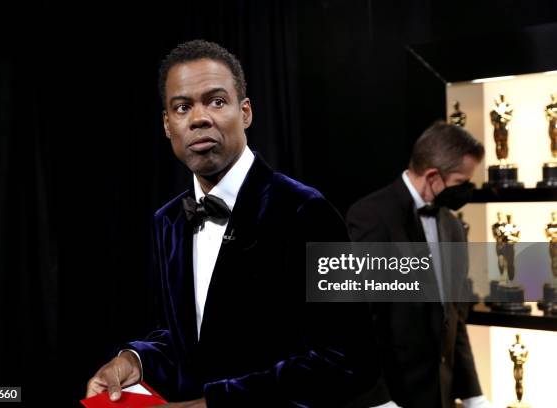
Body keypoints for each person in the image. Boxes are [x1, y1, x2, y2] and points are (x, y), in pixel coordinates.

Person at [86, 40, 389, 407]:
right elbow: (185, 338)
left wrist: (215, 403)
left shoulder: (306, 210)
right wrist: (134, 360)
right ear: (168, 125)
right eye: (182, 107)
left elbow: (349, 360)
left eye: (216, 101)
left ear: (245, 112)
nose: (199, 118)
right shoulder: (167, 221)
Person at [346, 122, 491, 408]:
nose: (466, 192)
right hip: (392, 396)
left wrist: (473, 394)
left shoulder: (453, 226)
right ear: (433, 176)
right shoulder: (370, 216)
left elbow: (453, 318)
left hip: (441, 395)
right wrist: (377, 399)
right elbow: (357, 319)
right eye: (461, 182)